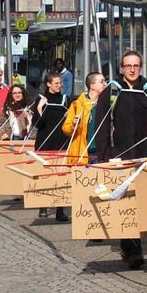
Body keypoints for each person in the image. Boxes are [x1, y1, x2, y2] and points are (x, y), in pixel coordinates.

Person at [95, 50, 147, 270]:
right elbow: (100, 127)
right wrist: (104, 156)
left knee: (138, 202)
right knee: (123, 202)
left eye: (136, 65)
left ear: (141, 67)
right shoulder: (111, 91)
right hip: (117, 155)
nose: (132, 69)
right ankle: (131, 249)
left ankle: (132, 248)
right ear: (121, 68)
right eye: (128, 66)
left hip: (144, 155)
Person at [30, 72, 71, 222]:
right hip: (45, 141)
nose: (59, 86)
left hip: (61, 141)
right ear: (48, 84)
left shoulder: (65, 99)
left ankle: (60, 209)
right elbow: (37, 124)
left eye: (60, 83)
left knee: (61, 174)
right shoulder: (41, 99)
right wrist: (40, 109)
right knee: (45, 174)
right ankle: (43, 206)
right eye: (56, 83)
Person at [62, 72, 105, 164]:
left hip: (100, 154)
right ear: (92, 86)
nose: (105, 84)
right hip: (81, 153)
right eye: (101, 82)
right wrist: (74, 124)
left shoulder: (105, 104)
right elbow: (66, 129)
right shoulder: (77, 104)